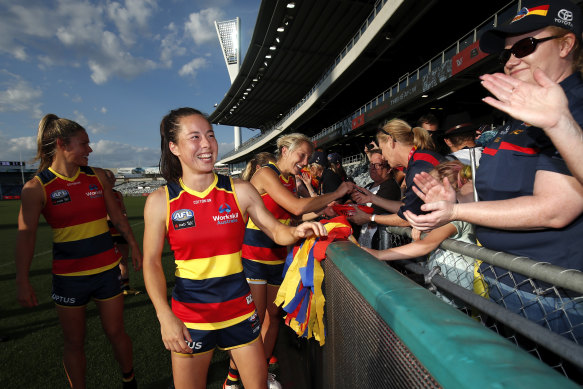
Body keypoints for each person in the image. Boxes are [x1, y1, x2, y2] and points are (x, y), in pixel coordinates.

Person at [404, 0, 583, 343]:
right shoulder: (521, 116)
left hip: (551, 298)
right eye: (507, 53)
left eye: (525, 46)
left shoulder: (574, 106)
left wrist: (456, 210)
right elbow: (507, 195)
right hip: (507, 281)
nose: (512, 60)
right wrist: (459, 195)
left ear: (565, 44)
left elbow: (556, 209)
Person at [142, 109, 328, 389]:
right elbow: (151, 263)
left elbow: (275, 230)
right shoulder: (160, 201)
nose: (206, 144)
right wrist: (164, 315)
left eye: (210, 135)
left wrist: (295, 231)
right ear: (174, 147)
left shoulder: (239, 190)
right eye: (195, 137)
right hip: (191, 317)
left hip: (240, 312)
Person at [16, 114, 142, 388]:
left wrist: (133, 244)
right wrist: (22, 279)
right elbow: (26, 237)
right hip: (69, 279)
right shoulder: (36, 188)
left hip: (107, 272)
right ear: (62, 144)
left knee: (116, 331)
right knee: (74, 342)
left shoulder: (96, 176)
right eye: (83, 143)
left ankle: (129, 381)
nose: (90, 149)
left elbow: (117, 217)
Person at [235, 134, 354, 389]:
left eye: (308, 157)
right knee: (253, 322)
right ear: (285, 150)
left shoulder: (291, 180)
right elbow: (297, 207)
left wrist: (323, 210)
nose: (305, 161)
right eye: (302, 155)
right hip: (253, 256)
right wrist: (337, 192)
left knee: (274, 316)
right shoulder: (267, 173)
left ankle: (261, 373)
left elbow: (297, 214)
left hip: (277, 257)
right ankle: (234, 381)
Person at [363, 161, 475, 304]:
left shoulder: (456, 216)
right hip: (446, 286)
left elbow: (426, 245)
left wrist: (379, 254)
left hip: (457, 292)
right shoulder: (452, 212)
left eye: (432, 193)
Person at [351, 118, 444, 227]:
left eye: (382, 149)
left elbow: (408, 217)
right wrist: (372, 198)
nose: (384, 156)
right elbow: (407, 207)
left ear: (391, 141)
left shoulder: (418, 168)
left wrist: (370, 218)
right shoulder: (419, 160)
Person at [347, 149, 401, 249]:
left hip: (378, 245)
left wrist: (352, 209)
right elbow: (352, 201)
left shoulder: (390, 187)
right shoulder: (369, 185)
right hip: (362, 242)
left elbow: (373, 211)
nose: (372, 168)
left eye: (377, 165)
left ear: (389, 169)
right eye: (371, 164)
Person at [103, 169, 140, 295]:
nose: (114, 181)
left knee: (123, 260)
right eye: (110, 179)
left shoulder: (118, 194)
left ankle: (125, 287)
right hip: (106, 232)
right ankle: (108, 288)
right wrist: (114, 217)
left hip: (121, 231)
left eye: (114, 178)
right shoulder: (98, 194)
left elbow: (123, 210)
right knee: (107, 262)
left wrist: (122, 216)